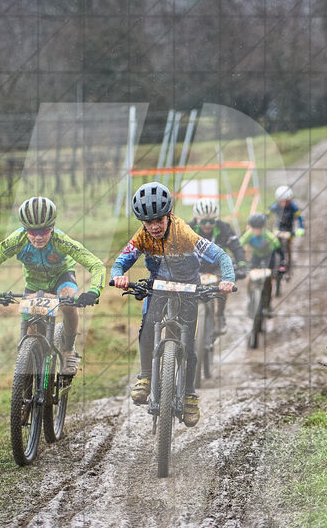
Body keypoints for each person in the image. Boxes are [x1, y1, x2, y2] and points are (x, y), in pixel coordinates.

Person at [111, 181, 235, 426]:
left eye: (159, 220)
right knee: (147, 330)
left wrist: (228, 278)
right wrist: (119, 275)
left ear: (169, 215)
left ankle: (189, 395)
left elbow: (220, 255)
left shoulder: (183, 232)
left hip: (188, 286)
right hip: (158, 286)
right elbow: (121, 261)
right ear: (142, 223)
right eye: (149, 222)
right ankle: (146, 376)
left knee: (188, 345)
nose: (155, 227)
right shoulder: (143, 236)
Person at [0, 196, 105, 376]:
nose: (38, 237)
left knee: (69, 303)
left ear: (52, 227)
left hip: (62, 278)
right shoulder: (18, 240)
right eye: (32, 231)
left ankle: (69, 349)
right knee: (30, 338)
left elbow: (96, 265)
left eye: (44, 231)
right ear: (25, 228)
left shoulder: (61, 241)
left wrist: (94, 291)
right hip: (34, 286)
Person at [189, 198, 248, 334]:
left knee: (223, 286)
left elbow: (236, 247)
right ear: (197, 219)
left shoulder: (224, 228)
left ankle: (220, 315)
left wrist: (242, 263)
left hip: (215, 268)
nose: (208, 225)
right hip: (194, 267)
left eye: (211, 221)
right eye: (204, 221)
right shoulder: (188, 229)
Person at [240, 213, 286, 316]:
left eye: (259, 228)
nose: (257, 231)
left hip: (269, 256)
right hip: (256, 256)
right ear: (251, 227)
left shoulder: (269, 236)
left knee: (268, 280)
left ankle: (268, 305)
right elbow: (239, 246)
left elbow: (280, 250)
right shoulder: (248, 234)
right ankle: (251, 300)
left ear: (263, 227)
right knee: (249, 278)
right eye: (254, 228)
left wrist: (282, 263)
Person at [268, 185, 304, 273]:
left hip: (289, 229)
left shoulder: (293, 207)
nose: (284, 203)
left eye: (286, 201)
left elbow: (300, 217)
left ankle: (288, 265)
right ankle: (273, 262)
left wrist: (301, 228)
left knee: (286, 245)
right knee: (274, 244)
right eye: (281, 201)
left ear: (290, 200)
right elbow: (266, 214)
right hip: (278, 228)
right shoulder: (275, 206)